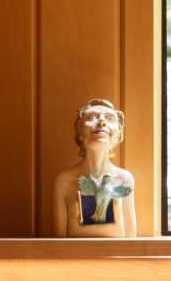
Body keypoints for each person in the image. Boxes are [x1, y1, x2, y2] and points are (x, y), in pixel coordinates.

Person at [52, 97, 136, 237]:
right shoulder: (63, 182)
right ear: (79, 133)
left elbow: (130, 239)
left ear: (118, 134)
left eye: (109, 118)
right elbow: (59, 242)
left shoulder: (125, 179)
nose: (101, 122)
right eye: (92, 117)